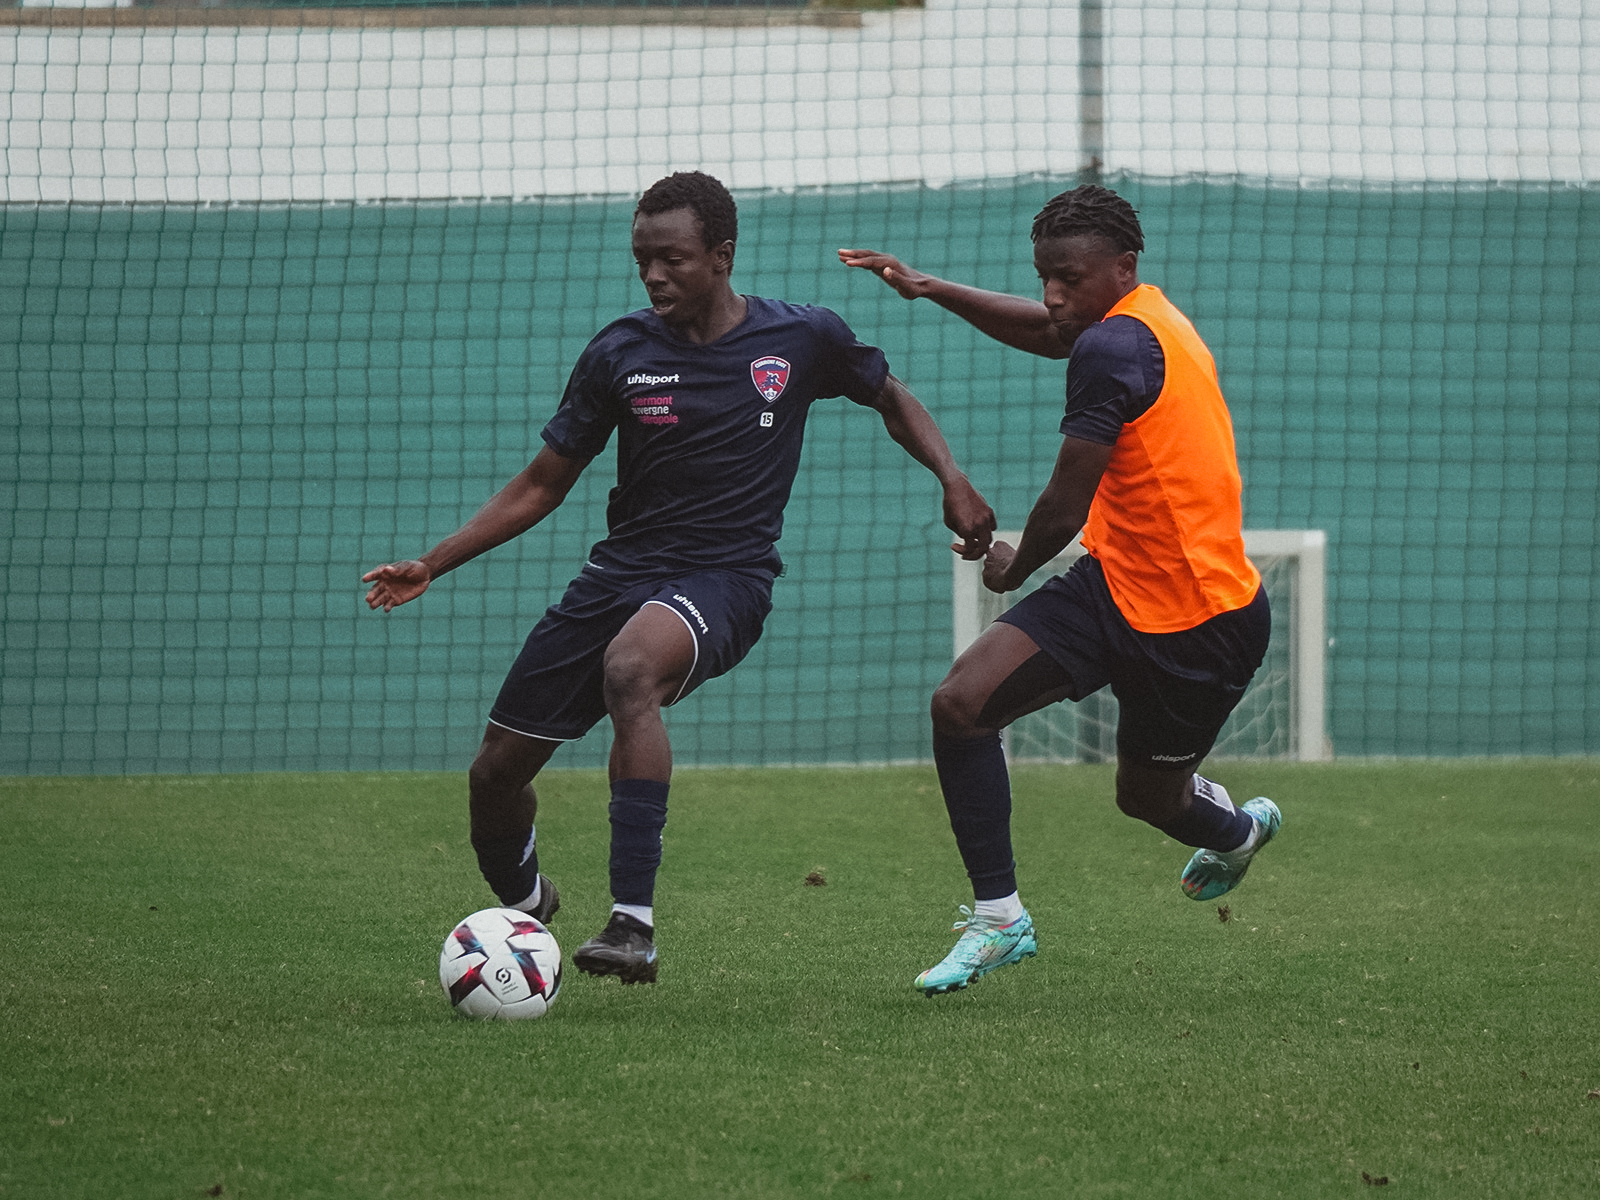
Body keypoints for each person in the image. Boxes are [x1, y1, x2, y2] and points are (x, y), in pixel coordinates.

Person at [365, 171, 995, 985]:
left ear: (722, 257)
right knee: (494, 775)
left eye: (672, 259)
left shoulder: (801, 338)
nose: (654, 276)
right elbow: (540, 484)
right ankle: (526, 902)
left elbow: (890, 395)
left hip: (727, 577)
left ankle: (633, 925)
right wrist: (433, 562)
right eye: (642, 261)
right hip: (619, 575)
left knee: (631, 670)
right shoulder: (619, 352)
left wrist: (952, 476)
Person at [841, 184, 1280, 996]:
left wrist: (1012, 568)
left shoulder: (1120, 346)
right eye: (1043, 275)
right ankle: (1000, 918)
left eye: (1067, 279)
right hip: (1112, 585)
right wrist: (931, 287)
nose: (1051, 295)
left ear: (1123, 268)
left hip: (1200, 622)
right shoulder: (1132, 321)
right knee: (961, 705)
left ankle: (1236, 829)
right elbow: (1050, 331)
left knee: (1146, 797)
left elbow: (1065, 501)